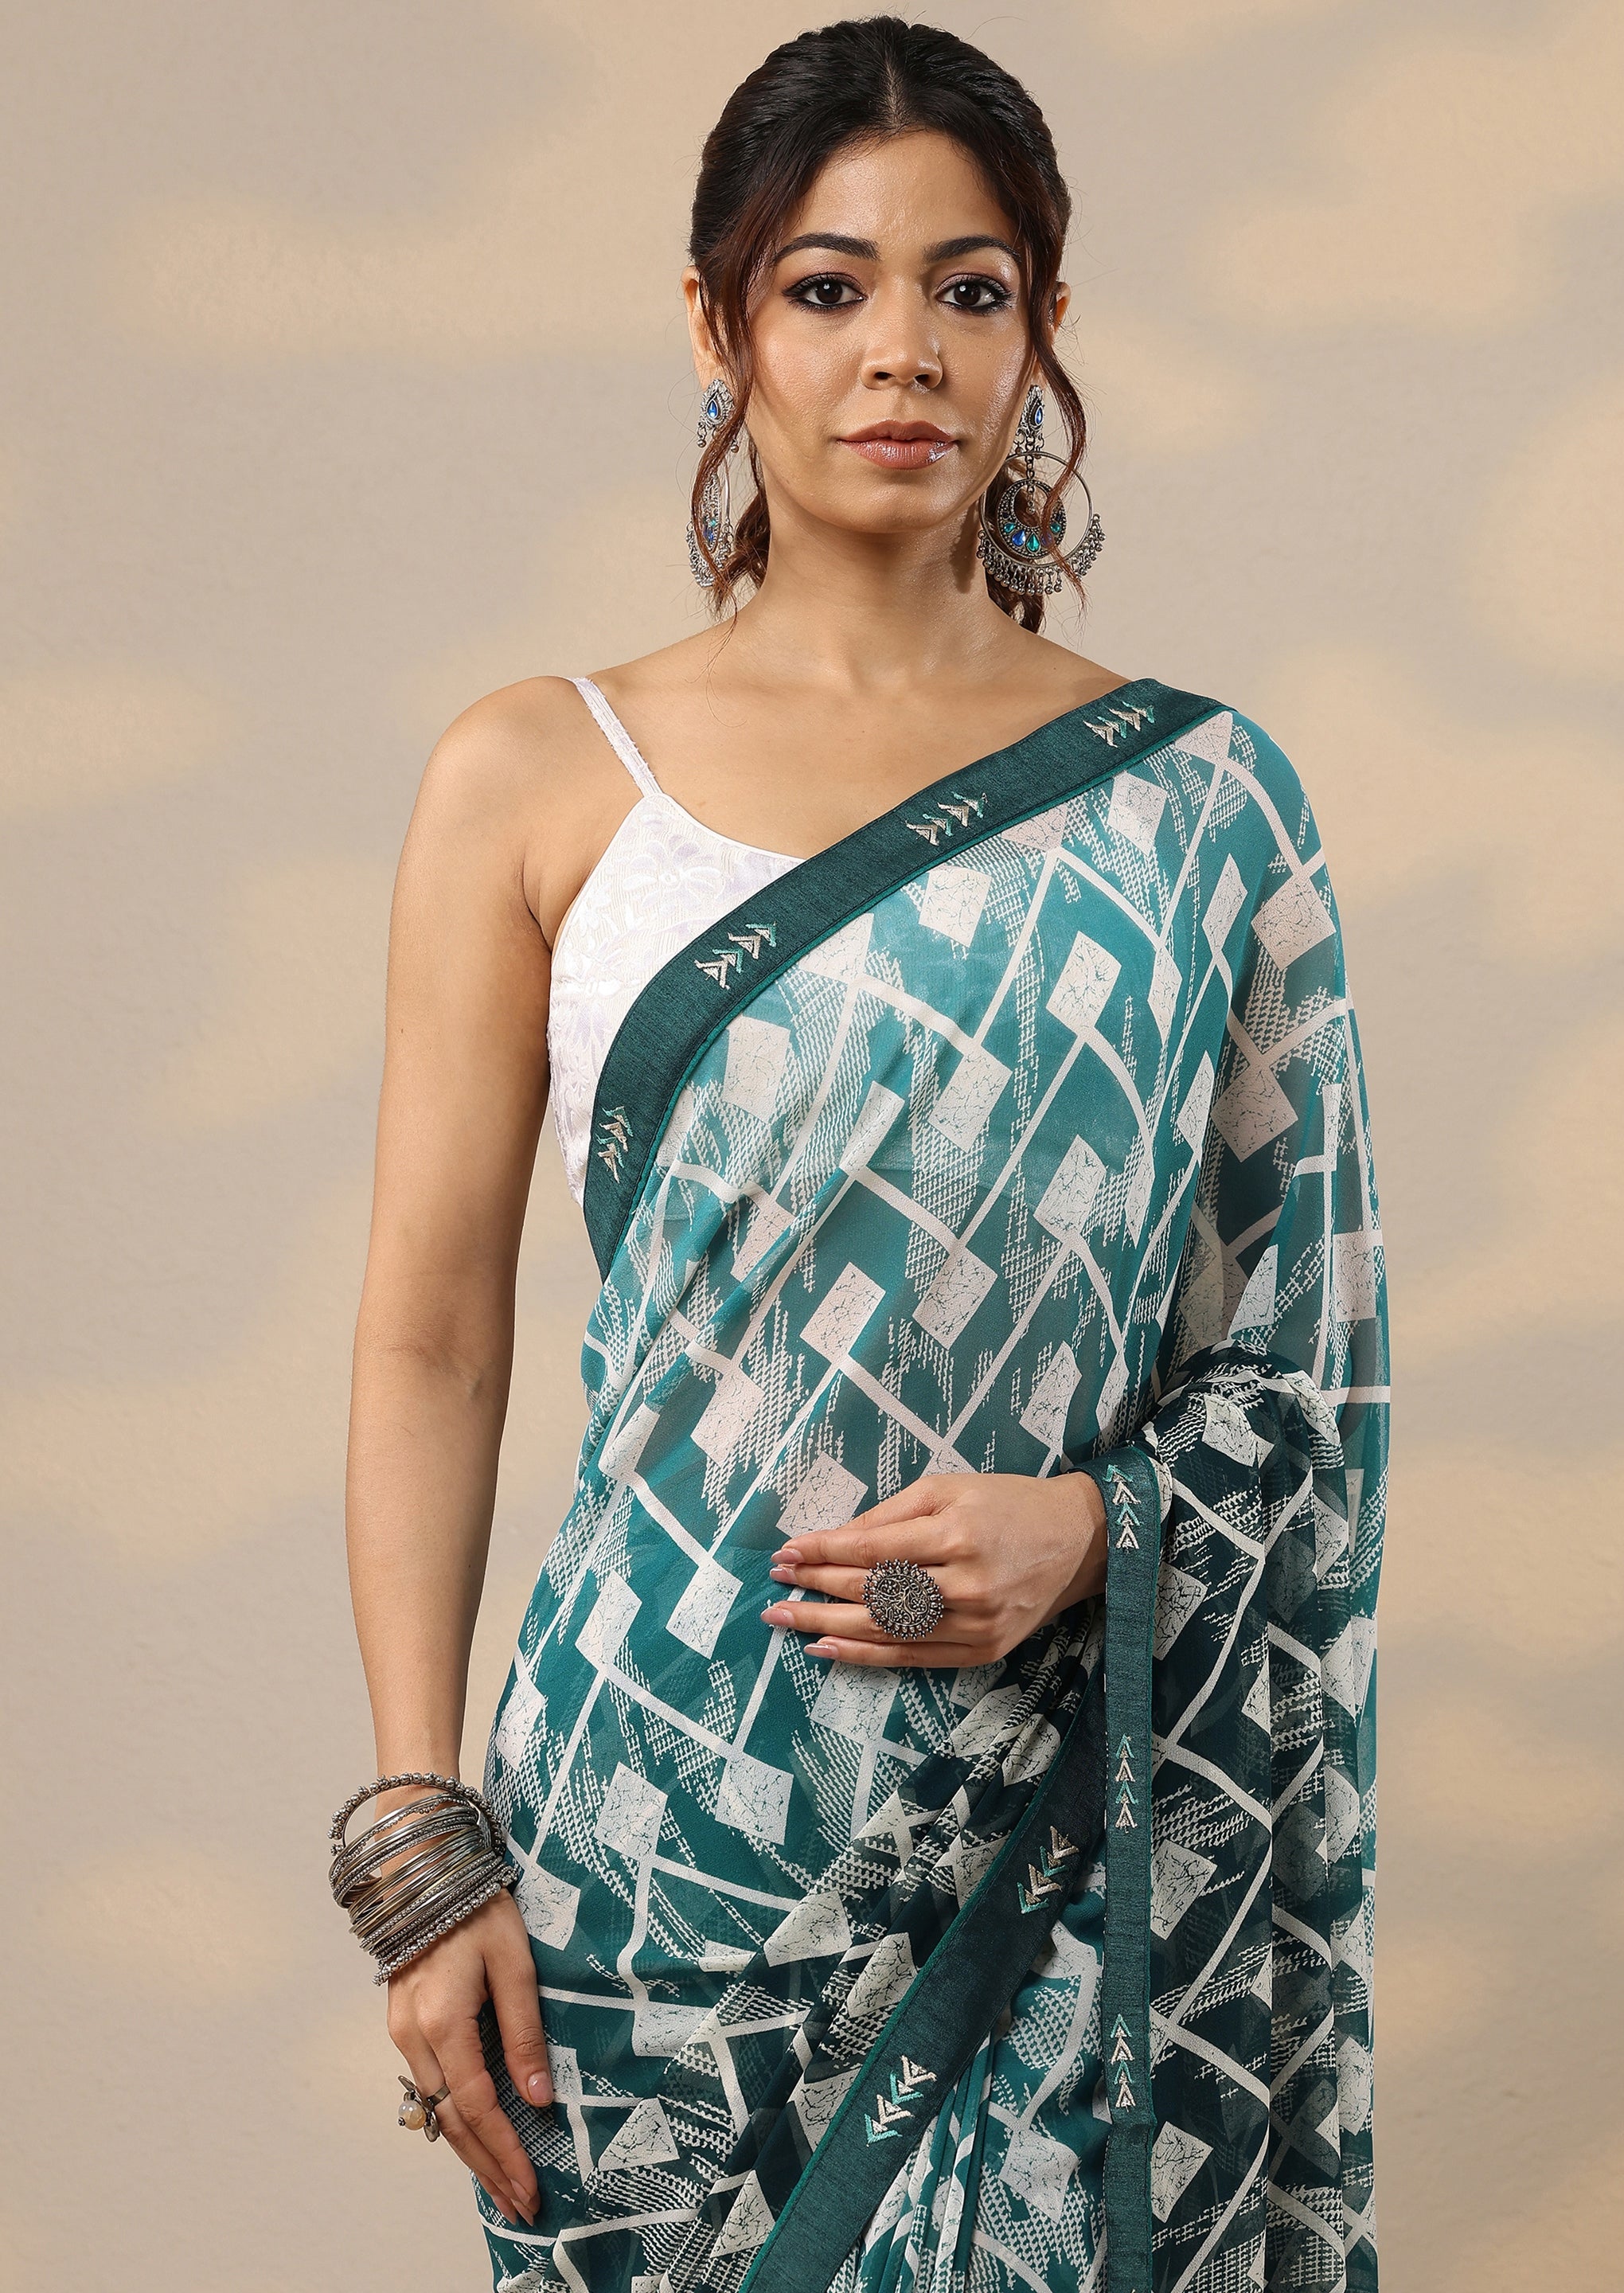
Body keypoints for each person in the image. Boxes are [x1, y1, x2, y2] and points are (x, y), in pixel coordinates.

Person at [338, 20, 1386, 2292]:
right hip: (654, 1836)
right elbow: (431, 1342)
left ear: (1043, 330)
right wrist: (423, 1841)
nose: (902, 348)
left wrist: (1098, 1531)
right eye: (826, 287)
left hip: (1079, 1841)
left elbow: (1307, 1374)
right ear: (716, 326)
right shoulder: (538, 777)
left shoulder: (1202, 806)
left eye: (967, 287)